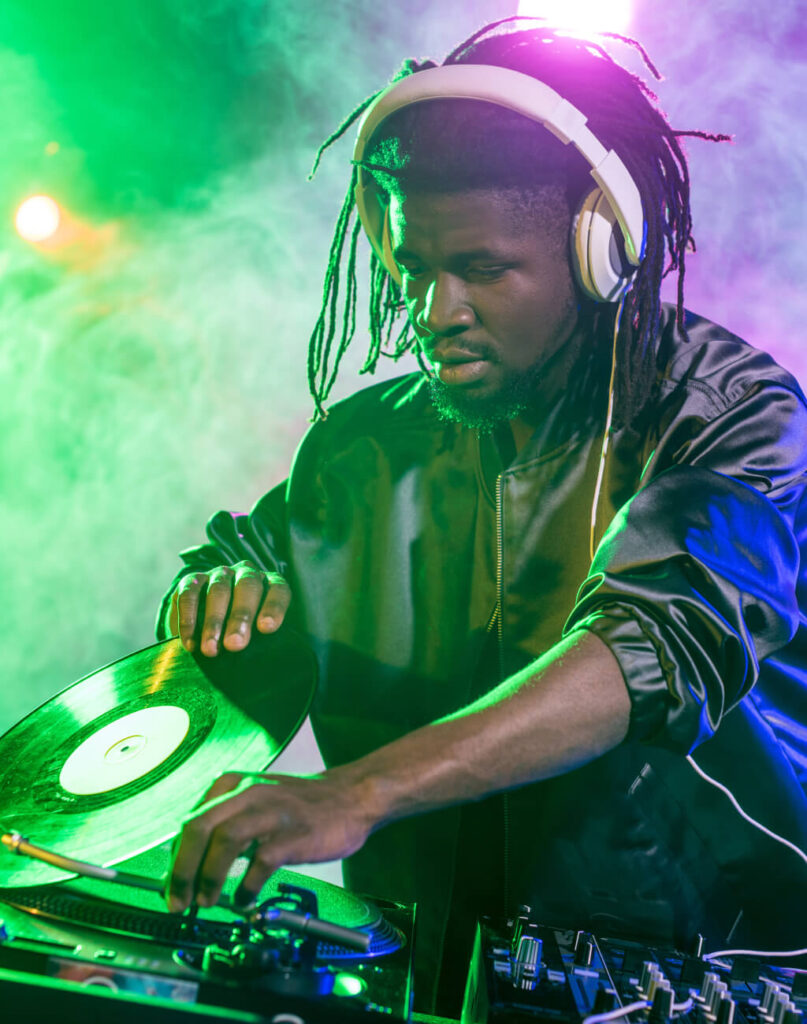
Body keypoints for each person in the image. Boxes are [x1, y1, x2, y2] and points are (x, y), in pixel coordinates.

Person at [156, 19, 807, 1015]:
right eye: (413, 264)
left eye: (484, 269)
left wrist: (356, 793)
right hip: (425, 977)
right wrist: (222, 597)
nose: (433, 310)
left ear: (597, 251)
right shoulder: (359, 450)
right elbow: (250, 571)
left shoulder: (731, 416)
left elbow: (648, 647)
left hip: (708, 973)